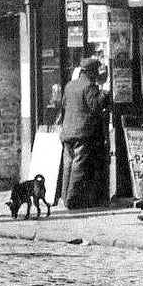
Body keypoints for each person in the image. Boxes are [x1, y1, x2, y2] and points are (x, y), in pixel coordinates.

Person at [57, 57, 110, 209]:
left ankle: (64, 197)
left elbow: (64, 105)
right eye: (96, 71)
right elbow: (95, 106)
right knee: (78, 166)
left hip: (67, 132)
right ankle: (72, 201)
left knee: (68, 165)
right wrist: (104, 94)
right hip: (82, 133)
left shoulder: (69, 85)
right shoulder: (90, 87)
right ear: (92, 72)